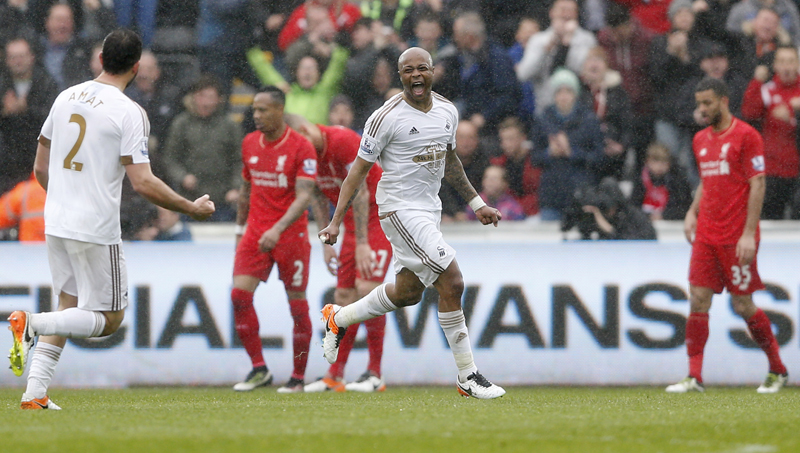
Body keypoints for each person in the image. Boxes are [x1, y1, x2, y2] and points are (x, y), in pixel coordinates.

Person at [7, 29, 216, 410]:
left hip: (57, 219)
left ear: (101, 58)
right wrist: (190, 207)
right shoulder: (128, 112)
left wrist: (65, 197)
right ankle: (33, 322)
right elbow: (143, 182)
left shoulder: (65, 96)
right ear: (136, 67)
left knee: (68, 302)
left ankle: (34, 392)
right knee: (108, 319)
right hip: (96, 226)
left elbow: (40, 167)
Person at [317, 47, 506, 399]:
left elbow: (449, 163)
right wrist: (335, 222)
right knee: (452, 280)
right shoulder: (384, 117)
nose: (416, 76)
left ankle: (338, 318)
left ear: (433, 71)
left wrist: (478, 203)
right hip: (398, 209)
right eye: (408, 70)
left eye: (422, 69)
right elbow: (356, 172)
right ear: (399, 75)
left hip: (428, 210)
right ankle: (468, 375)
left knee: (407, 293)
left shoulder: (448, 111)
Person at [666, 77, 788, 394]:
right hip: (707, 232)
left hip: (737, 235)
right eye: (699, 103)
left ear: (723, 100)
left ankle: (777, 369)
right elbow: (707, 181)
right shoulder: (700, 140)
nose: (702, 109)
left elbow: (758, 183)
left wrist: (749, 234)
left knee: (744, 304)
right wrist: (693, 211)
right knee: (697, 298)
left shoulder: (747, 136)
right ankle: (694, 376)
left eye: (708, 103)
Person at [285, 114, 392, 393]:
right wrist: (326, 242)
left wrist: (362, 244)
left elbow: (362, 192)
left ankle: (375, 373)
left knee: (368, 289)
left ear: (306, 130)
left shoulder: (343, 141)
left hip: (380, 217)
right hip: (350, 224)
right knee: (343, 297)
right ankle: (335, 375)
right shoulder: (307, 153)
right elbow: (317, 196)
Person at [230, 86, 317, 393]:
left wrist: (278, 229)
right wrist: (241, 230)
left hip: (290, 235)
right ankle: (259, 369)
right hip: (255, 231)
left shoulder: (302, 147)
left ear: (280, 110)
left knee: (297, 307)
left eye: (263, 110)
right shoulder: (250, 143)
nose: (256, 116)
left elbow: (304, 195)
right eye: (254, 110)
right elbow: (246, 189)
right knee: (239, 297)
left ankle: (297, 378)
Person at [741, 45, 800, 219]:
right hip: (773, 168)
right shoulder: (767, 89)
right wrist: (756, 81)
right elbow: (749, 112)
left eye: (790, 61)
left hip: (797, 168)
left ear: (797, 64)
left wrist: (795, 117)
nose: (786, 67)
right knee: (771, 217)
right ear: (775, 66)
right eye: (782, 62)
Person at [0, 173, 47, 241]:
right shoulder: (63, 190)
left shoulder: (24, 191)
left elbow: (2, 213)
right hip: (59, 248)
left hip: (29, 248)